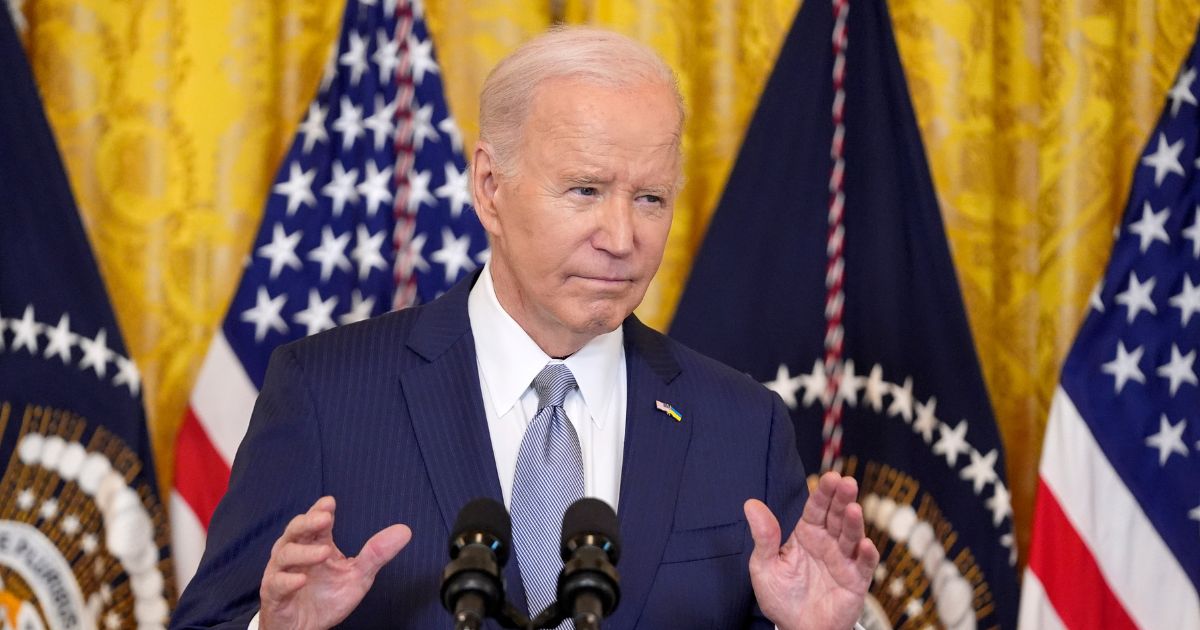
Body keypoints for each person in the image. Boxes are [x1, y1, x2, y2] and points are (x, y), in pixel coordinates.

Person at [171, 26, 879, 630]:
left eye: (651, 198)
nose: (622, 236)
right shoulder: (327, 396)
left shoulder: (743, 427)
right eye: (586, 190)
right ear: (489, 187)